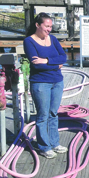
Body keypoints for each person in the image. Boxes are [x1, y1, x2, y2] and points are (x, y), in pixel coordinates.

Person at [23, 12, 68, 159]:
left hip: (57, 82)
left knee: (53, 114)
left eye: (50, 26)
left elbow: (64, 57)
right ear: (38, 25)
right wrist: (56, 64)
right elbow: (37, 65)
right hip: (41, 83)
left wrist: (47, 61)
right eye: (46, 26)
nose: (49, 29)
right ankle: (44, 146)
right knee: (42, 115)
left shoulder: (53, 39)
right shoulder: (29, 41)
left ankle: (54, 143)